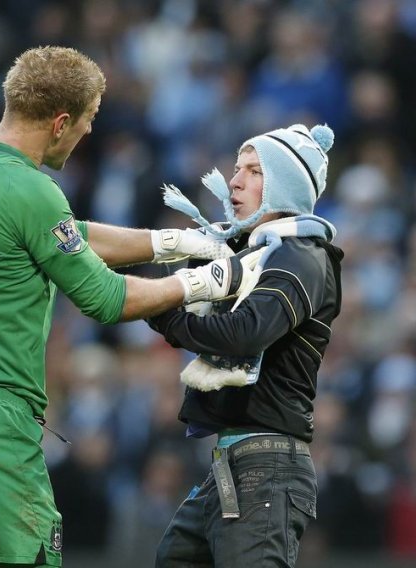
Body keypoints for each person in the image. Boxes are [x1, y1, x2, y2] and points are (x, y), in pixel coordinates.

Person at [0, 46, 264, 568]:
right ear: (60, 123)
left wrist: (172, 242)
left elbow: (62, 236)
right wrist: (207, 279)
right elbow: (106, 299)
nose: (90, 132)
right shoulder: (33, 190)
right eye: (88, 119)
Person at [147, 123, 343, 567]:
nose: (234, 180)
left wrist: (164, 313)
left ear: (286, 186)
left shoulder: (302, 255)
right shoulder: (245, 253)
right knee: (173, 557)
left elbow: (245, 333)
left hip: (269, 465)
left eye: (254, 171)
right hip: (232, 464)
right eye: (237, 168)